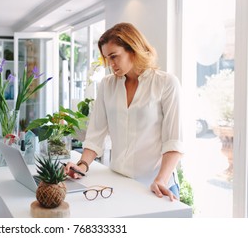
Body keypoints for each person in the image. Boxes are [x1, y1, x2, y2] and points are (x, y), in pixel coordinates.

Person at [64, 22, 183, 201]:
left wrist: (161, 180)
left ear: (133, 49)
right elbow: (96, 134)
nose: (110, 64)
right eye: (106, 58)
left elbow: (174, 142)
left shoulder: (166, 83)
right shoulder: (107, 85)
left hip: (157, 187)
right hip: (118, 184)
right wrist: (82, 165)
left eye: (114, 56)